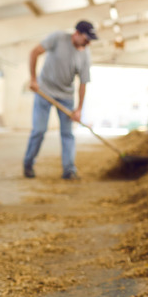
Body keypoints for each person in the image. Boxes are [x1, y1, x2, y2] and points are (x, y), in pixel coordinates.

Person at [23, 20, 97, 180]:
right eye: (86, 39)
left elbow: (83, 83)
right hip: (44, 91)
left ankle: (69, 170)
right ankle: (28, 164)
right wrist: (33, 79)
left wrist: (79, 109)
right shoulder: (58, 38)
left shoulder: (85, 54)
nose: (88, 43)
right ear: (76, 34)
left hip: (66, 96)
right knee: (39, 131)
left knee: (67, 133)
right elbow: (34, 52)